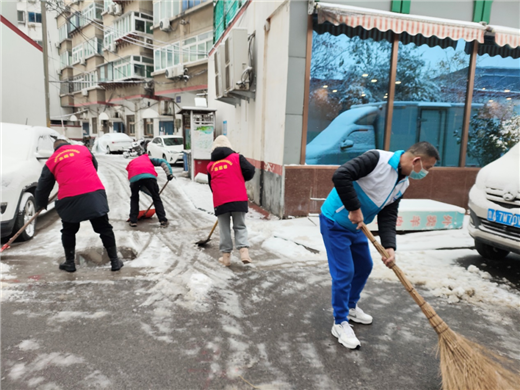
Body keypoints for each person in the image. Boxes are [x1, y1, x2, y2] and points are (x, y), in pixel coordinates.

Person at [320, 141, 440, 350]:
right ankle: (339, 322)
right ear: (417, 161)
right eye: (427, 168)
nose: (426, 173)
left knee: (364, 266)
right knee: (345, 272)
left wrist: (389, 246)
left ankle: (349, 307)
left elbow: (388, 215)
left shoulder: (403, 184)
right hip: (335, 222)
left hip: (357, 227)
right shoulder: (376, 159)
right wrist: (354, 208)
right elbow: (341, 175)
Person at [35, 138, 123, 272]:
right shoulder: (83, 149)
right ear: (68, 145)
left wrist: (41, 203)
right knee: (104, 228)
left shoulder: (52, 160)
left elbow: (43, 184)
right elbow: (94, 166)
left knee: (69, 230)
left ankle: (70, 263)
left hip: (69, 198)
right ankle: (115, 261)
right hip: (93, 193)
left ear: (55, 149)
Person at [207, 135, 255, 266]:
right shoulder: (237, 158)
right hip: (238, 198)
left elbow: (211, 185)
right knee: (239, 225)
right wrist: (239, 178)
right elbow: (250, 170)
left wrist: (220, 194)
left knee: (224, 229)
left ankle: (226, 257)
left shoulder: (211, 165)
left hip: (220, 201)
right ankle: (244, 252)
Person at [126, 153, 173, 227]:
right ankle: (162, 219)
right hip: (149, 177)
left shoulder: (131, 162)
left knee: (134, 197)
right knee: (156, 197)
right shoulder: (148, 159)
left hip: (134, 178)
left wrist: (140, 188)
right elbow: (163, 162)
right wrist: (169, 174)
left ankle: (133, 220)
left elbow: (132, 176)